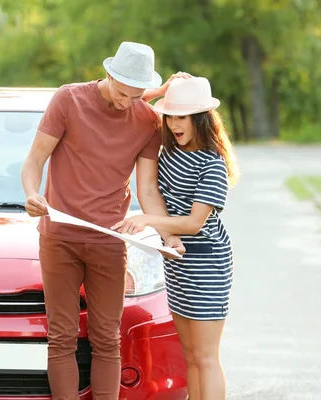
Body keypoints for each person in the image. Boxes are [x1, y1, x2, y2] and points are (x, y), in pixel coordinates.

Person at [21, 41, 186, 399]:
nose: (128, 102)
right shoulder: (68, 100)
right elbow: (35, 160)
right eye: (123, 93)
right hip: (59, 237)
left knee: (108, 339)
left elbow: (147, 191)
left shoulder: (147, 121)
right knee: (61, 337)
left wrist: (168, 233)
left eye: (137, 95)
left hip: (109, 241)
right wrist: (33, 194)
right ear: (109, 74)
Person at [111, 76, 239, 400]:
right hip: (177, 260)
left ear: (200, 118)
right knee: (190, 356)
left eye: (182, 117)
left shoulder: (213, 164)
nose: (174, 124)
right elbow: (133, 108)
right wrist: (160, 90)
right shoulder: (167, 153)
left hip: (208, 261)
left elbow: (196, 223)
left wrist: (147, 221)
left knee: (206, 358)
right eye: (170, 116)